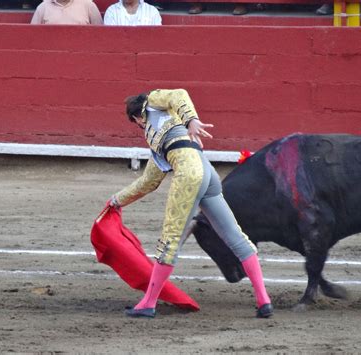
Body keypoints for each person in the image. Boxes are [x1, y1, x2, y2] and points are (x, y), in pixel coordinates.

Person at [108, 89, 274, 319]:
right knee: (236, 237)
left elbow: (179, 94)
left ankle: (148, 303)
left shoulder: (153, 102)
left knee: (170, 241)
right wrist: (118, 199)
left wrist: (192, 120)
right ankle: (263, 300)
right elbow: (149, 180)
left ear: (136, 118)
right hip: (207, 173)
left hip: (189, 175)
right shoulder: (161, 138)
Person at [30, 0, 103, 25]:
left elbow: (101, 34)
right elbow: (33, 35)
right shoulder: (43, 7)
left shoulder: (88, 5)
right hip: (51, 56)